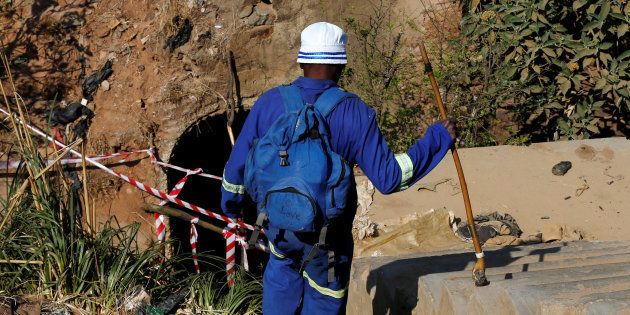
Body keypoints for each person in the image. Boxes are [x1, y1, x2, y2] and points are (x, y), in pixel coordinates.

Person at [220, 22, 456, 315]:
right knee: (323, 299)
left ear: (302, 60)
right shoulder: (355, 111)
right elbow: (389, 177)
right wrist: (438, 139)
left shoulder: (269, 103)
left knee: (280, 285)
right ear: (340, 65)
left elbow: (235, 172)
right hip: (328, 241)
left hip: (280, 229)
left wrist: (231, 210)